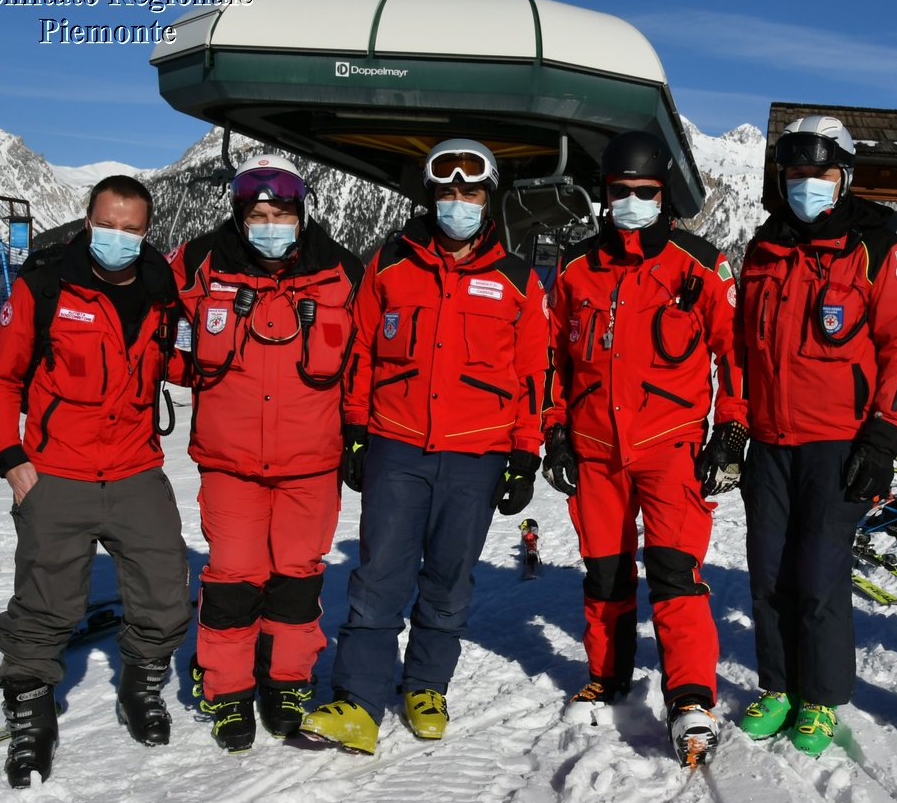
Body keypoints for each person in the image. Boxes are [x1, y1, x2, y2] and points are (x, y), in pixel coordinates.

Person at [300, 139, 548, 754]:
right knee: (380, 574)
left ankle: (426, 685)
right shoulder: (388, 265)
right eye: (447, 192)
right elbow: (360, 352)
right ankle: (358, 701)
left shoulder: (517, 280)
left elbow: (535, 374)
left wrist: (526, 452)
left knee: (449, 576)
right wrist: (355, 428)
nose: (457, 203)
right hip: (397, 444)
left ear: (488, 200)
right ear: (430, 197)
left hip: (477, 452)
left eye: (469, 193)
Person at [541, 130, 745, 767]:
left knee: (675, 575)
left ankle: (689, 693)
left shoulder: (699, 265)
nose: (631, 202)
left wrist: (730, 432)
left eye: (644, 193)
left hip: (670, 449)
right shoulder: (577, 269)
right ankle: (608, 673)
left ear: (665, 196)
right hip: (596, 448)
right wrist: (554, 429)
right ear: (604, 194)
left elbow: (733, 357)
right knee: (604, 572)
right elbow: (551, 358)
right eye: (620, 192)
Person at [0, 175, 191, 787]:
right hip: (57, 472)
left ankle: (141, 686)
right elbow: (2, 377)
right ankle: (31, 715)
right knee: (46, 606)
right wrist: (9, 456)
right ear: (87, 221)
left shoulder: (160, 287)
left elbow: (175, 362)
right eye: (108, 225)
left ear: (146, 231)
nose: (119, 238)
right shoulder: (46, 282)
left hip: (135, 469)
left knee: (165, 595)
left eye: (132, 229)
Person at [733, 115, 897, 756]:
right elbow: (742, 351)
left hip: (838, 442)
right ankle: (779, 686)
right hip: (770, 440)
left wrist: (881, 440)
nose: (806, 186)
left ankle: (820, 698)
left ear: (843, 178)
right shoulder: (765, 246)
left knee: (818, 576)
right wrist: (734, 426)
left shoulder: (878, 244)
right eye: (795, 175)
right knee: (767, 573)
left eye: (819, 174)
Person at [171, 154, 365, 752]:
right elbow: (161, 335)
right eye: (257, 213)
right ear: (238, 214)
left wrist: (357, 433)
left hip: (312, 464)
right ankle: (228, 691)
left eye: (281, 212)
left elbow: (362, 364)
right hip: (230, 464)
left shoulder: (342, 272)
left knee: (297, 579)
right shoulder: (199, 265)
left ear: (301, 214)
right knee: (232, 578)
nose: (270, 223)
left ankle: (287, 681)